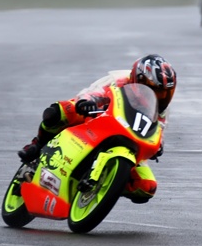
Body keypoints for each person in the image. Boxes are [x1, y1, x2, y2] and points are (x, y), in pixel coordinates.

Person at [17, 54, 177, 204]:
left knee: (147, 187)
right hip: (97, 116)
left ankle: (108, 183)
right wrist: (86, 102)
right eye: (156, 91)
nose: (160, 97)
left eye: (165, 93)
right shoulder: (119, 81)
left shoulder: (160, 108)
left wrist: (158, 145)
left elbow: (158, 129)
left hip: (129, 139)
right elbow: (93, 92)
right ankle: (37, 145)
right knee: (58, 112)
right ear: (139, 80)